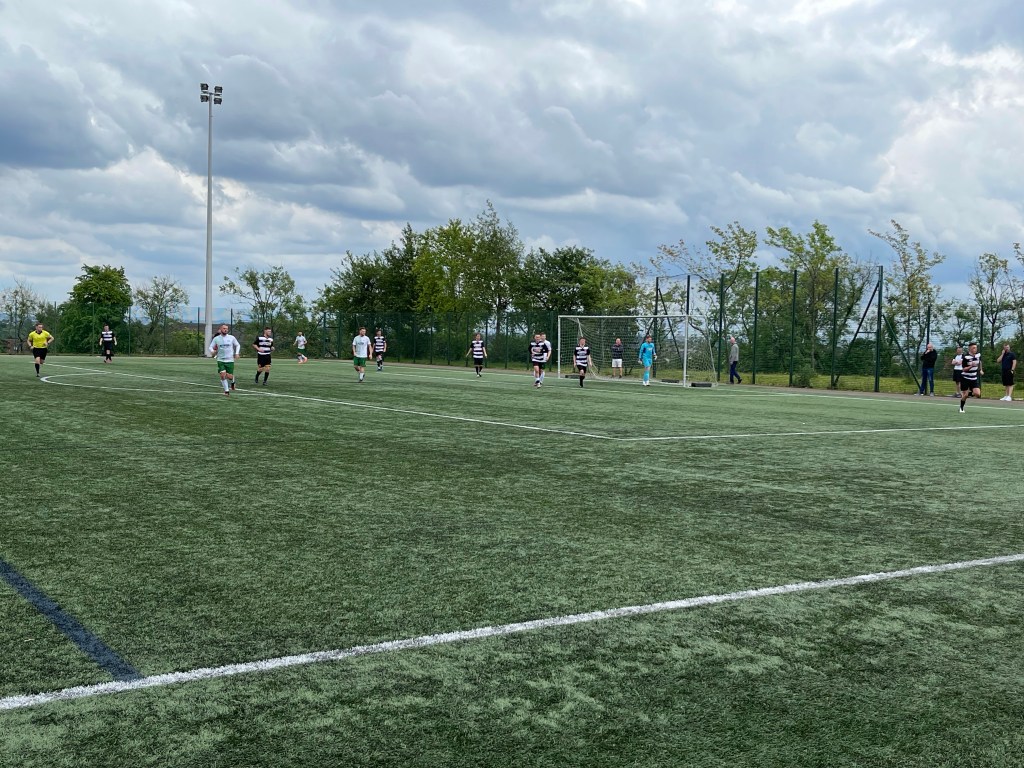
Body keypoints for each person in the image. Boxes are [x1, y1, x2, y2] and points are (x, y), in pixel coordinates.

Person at [209, 323, 241, 395]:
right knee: (222, 375)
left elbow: (237, 345)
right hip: (220, 359)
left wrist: (237, 353)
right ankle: (226, 391)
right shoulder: (216, 338)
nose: (225, 330)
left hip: (230, 360)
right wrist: (212, 351)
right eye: (224, 328)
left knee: (229, 376)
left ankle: (232, 382)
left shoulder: (231, 337)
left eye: (226, 329)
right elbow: (210, 347)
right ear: (220, 329)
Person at [958, 342, 982, 413]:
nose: (975, 349)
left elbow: (980, 362)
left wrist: (980, 370)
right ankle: (961, 407)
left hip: (974, 378)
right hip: (965, 378)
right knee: (965, 395)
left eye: (976, 348)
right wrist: (971, 366)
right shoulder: (965, 357)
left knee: (978, 394)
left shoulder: (978, 355)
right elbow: (964, 369)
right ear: (970, 349)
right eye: (973, 348)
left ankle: (969, 393)